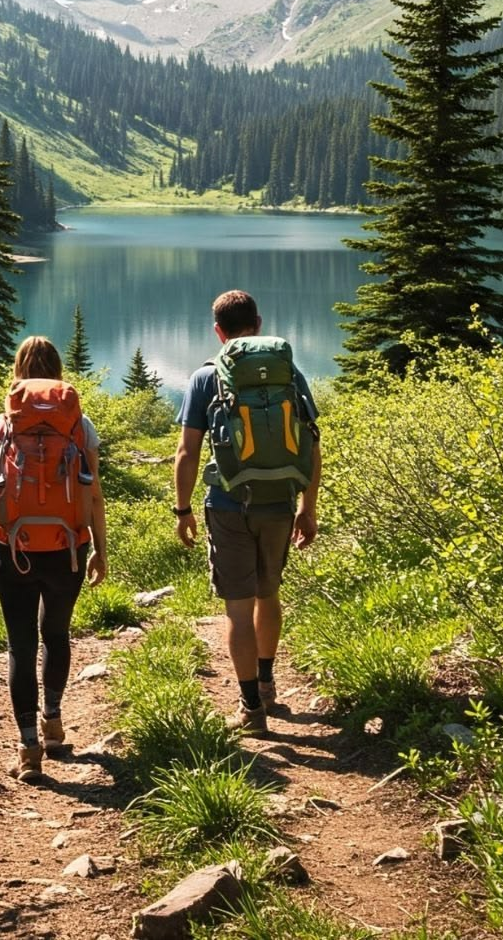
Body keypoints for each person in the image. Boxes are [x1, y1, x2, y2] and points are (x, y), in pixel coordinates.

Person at [173, 289, 321, 732]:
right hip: (279, 501)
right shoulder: (288, 373)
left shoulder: (205, 378)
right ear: (258, 324)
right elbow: (312, 445)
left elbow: (187, 451)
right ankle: (269, 679)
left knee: (238, 609)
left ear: (218, 331)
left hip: (227, 502)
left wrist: (182, 510)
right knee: (269, 594)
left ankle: (251, 706)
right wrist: (307, 508)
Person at [0, 336, 107, 782]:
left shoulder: (0, 426)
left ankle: (28, 748)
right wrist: (101, 550)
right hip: (68, 548)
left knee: (21, 646)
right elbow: (96, 495)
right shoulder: (80, 426)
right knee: (57, 634)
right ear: (58, 371)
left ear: (18, 370)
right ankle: (53, 722)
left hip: (13, 547)